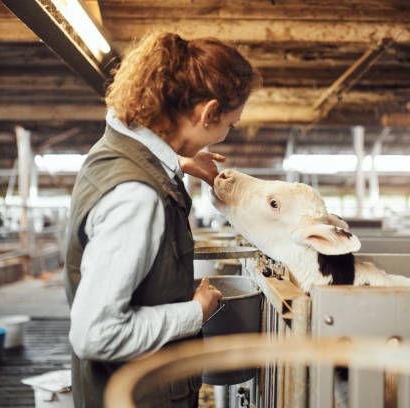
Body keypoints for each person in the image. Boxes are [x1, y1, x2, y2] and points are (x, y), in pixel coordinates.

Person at [64, 32, 262, 408]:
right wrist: (196, 312)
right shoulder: (138, 197)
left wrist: (177, 162)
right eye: (230, 125)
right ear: (209, 113)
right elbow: (94, 335)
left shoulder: (113, 149)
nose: (224, 134)